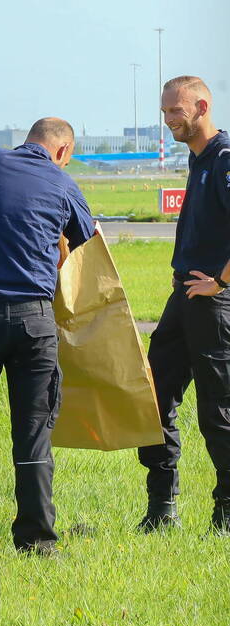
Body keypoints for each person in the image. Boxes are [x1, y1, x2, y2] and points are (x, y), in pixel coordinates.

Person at [0, 117, 94, 555]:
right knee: (32, 432)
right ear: (62, 151)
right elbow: (85, 245)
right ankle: (37, 540)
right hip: (34, 320)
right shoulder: (63, 183)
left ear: (27, 140)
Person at [137, 76, 230, 535]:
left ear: (202, 105)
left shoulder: (226, 159)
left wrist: (221, 282)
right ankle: (163, 503)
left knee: (219, 407)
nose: (170, 120)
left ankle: (227, 509)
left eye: (176, 111)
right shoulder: (198, 161)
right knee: (153, 393)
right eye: (165, 112)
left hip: (213, 301)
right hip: (183, 296)